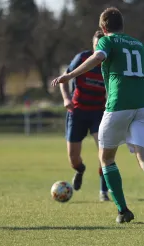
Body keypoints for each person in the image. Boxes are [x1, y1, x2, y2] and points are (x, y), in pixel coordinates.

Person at [52, 7, 144, 224]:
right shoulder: (138, 44)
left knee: (106, 158)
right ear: (122, 25)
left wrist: (69, 75)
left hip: (118, 106)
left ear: (103, 27)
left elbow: (98, 57)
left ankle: (123, 210)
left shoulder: (106, 41)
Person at [59, 30, 110, 202]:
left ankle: (104, 191)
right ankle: (80, 170)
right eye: (96, 45)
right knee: (74, 159)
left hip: (98, 113)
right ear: (93, 44)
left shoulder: (110, 63)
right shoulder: (81, 59)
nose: (99, 49)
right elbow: (64, 79)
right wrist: (66, 99)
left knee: (105, 153)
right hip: (77, 112)